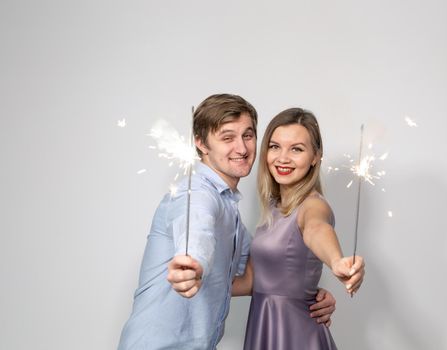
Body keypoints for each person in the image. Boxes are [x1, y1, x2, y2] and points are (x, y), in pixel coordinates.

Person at [118, 94, 336, 350]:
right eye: (227, 137)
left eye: (248, 135)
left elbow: (257, 276)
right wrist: (193, 265)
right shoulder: (195, 195)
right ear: (201, 143)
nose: (242, 149)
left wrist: (309, 293)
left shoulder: (229, 209)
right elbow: (198, 235)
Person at [169, 107, 365, 350]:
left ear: (316, 156)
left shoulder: (313, 205)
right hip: (264, 326)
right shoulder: (274, 208)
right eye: (274, 146)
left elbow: (317, 229)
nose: (283, 158)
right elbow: (252, 281)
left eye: (297, 149)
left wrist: (336, 261)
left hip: (296, 334)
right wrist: (193, 279)